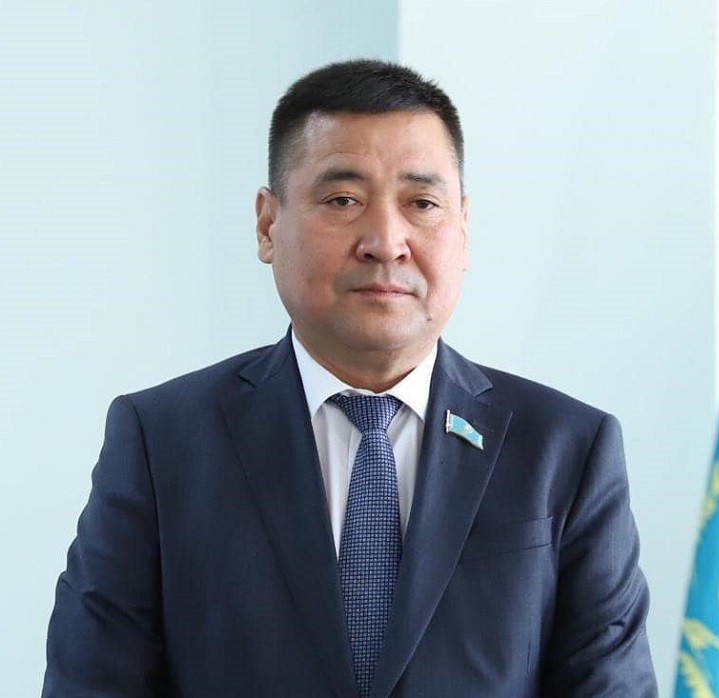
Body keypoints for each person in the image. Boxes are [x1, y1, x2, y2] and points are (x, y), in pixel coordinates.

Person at [43, 59, 657, 698]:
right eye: (343, 200)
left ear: (463, 229)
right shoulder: (161, 441)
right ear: (267, 225)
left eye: (422, 203)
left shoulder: (566, 449)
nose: (386, 242)